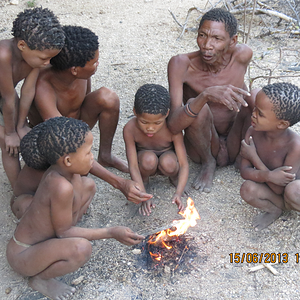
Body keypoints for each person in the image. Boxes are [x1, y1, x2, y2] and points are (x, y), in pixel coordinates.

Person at [7, 116, 145, 299]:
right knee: (81, 248)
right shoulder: (60, 186)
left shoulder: (66, 172)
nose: (92, 157)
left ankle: (61, 244)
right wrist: (111, 232)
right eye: (88, 153)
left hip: (45, 241)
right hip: (24, 253)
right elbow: (63, 233)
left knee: (88, 185)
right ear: (68, 161)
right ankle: (40, 279)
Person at [167, 8, 253, 193]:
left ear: (233, 41)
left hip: (234, 137)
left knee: (256, 96)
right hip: (203, 143)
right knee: (196, 105)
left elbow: (244, 95)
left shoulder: (243, 55)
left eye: (217, 38)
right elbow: (173, 124)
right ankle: (208, 163)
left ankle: (244, 157)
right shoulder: (181, 64)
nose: (207, 44)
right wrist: (205, 95)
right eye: (202, 35)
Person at [28, 25, 128, 173]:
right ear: (74, 70)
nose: (97, 64)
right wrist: (119, 183)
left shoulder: (81, 74)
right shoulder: (43, 86)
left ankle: (105, 156)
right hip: (53, 139)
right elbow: (62, 137)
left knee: (108, 97)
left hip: (75, 127)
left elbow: (85, 100)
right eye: (94, 63)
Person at [0, 7, 65, 189]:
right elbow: (7, 98)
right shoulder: (3, 55)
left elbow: (27, 92)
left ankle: (27, 185)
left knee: (21, 134)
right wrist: (10, 132)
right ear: (22, 45)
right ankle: (19, 192)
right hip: (5, 97)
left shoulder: (32, 58)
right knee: (8, 145)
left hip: (6, 97)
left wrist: (21, 124)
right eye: (44, 58)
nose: (48, 63)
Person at [239, 82, 300, 231]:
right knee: (247, 189)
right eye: (255, 108)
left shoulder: (294, 145)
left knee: (294, 190)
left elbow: (281, 188)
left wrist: (255, 158)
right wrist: (270, 176)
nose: (253, 114)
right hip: (274, 192)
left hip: (290, 193)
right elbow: (245, 171)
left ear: (281, 124)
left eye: (260, 113)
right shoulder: (252, 132)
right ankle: (274, 210)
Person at [123, 84, 189, 216]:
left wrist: (179, 193)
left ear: (167, 114)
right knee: (149, 159)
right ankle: (145, 181)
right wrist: (141, 194)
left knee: (169, 163)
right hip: (145, 160)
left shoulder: (172, 129)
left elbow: (183, 164)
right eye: (144, 122)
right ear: (135, 112)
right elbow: (133, 166)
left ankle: (174, 178)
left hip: (168, 158)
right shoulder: (130, 129)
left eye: (157, 123)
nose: (150, 128)